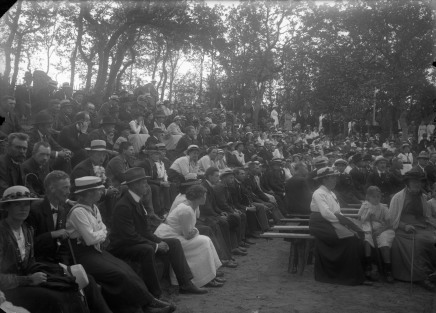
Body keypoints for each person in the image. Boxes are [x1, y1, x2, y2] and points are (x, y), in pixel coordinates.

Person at [66, 176, 175, 313]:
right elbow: (91, 239)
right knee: (118, 274)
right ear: (88, 193)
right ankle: (138, 306)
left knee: (126, 269)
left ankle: (148, 302)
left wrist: (100, 233)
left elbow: (103, 229)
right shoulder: (78, 212)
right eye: (99, 190)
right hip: (82, 255)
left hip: (96, 251)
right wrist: (101, 233)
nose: (101, 193)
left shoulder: (93, 208)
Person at [109, 167, 207, 296]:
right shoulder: (124, 205)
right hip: (123, 245)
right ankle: (155, 294)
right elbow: (128, 236)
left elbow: (145, 230)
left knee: (174, 243)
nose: (147, 185)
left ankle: (185, 284)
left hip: (135, 240)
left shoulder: (136, 200)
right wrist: (156, 245)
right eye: (143, 183)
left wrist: (158, 240)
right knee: (148, 250)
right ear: (133, 185)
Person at [0, 186, 88, 313]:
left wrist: (53, 273)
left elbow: (30, 261)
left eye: (26, 204)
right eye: (17, 205)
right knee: (54, 299)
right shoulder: (2, 233)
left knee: (69, 288)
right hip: (8, 288)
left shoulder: (27, 229)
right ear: (7, 207)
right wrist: (29, 279)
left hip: (26, 279)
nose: (23, 208)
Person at [154, 184, 223, 288]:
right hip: (167, 235)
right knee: (204, 241)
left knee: (206, 240)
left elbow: (188, 231)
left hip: (176, 234)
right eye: (204, 195)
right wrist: (195, 230)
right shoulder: (186, 210)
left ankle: (211, 273)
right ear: (198, 197)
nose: (205, 198)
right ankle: (205, 278)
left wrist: (194, 231)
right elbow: (187, 235)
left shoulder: (192, 206)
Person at [309, 167, 367, 286]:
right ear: (324, 180)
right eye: (332, 177)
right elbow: (326, 213)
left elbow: (337, 211)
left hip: (331, 221)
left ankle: (356, 273)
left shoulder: (331, 193)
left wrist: (346, 222)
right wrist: (342, 223)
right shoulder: (319, 193)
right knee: (349, 238)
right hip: (320, 224)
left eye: (335, 177)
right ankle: (343, 275)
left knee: (356, 235)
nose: (335, 180)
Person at [389, 168, 436, 291]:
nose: (417, 184)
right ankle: (421, 276)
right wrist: (405, 226)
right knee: (419, 243)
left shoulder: (423, 197)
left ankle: (433, 273)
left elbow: (427, 217)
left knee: (432, 240)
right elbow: (393, 219)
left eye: (419, 182)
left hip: (422, 227)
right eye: (414, 181)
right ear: (408, 183)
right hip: (403, 229)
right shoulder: (398, 198)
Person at [357, 186, 395, 282]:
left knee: (384, 242)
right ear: (368, 197)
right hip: (367, 227)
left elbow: (389, 223)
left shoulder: (383, 207)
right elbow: (359, 218)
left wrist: (379, 229)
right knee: (367, 239)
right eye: (374, 197)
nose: (376, 199)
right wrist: (367, 216)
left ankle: (388, 269)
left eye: (378, 196)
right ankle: (368, 264)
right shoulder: (365, 206)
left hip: (380, 228)